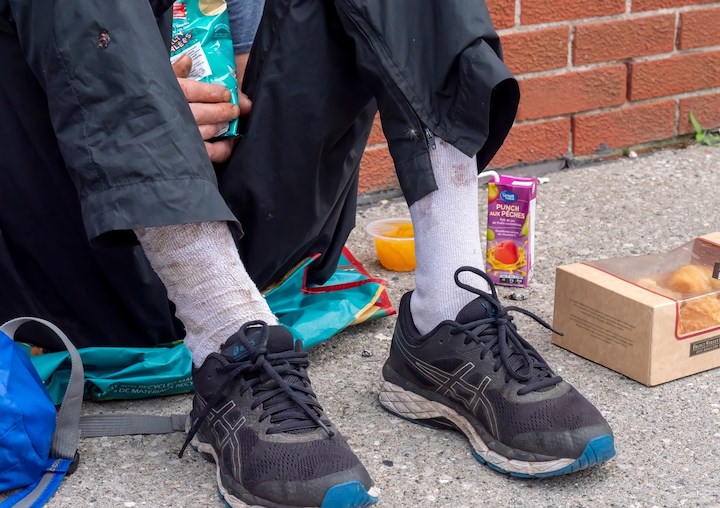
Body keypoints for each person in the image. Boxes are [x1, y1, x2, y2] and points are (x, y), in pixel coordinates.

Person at [0, 1, 615, 507]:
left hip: (251, 246)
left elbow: (257, 85)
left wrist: (203, 112)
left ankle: (447, 313)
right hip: (82, 257)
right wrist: (133, 118)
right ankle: (226, 342)